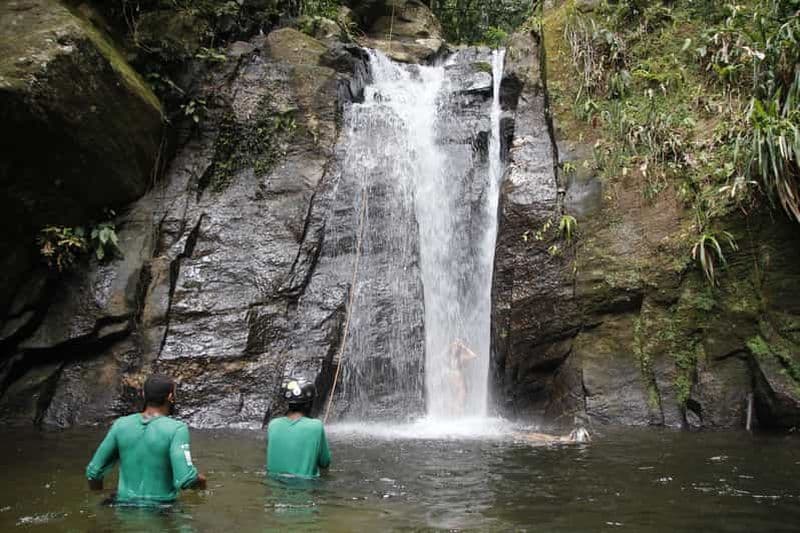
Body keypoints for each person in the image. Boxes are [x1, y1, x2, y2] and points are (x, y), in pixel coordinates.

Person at [85, 374, 207, 504]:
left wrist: (97, 496)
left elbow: (93, 472)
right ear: (170, 397)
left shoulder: (121, 425)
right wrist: (202, 482)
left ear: (144, 395)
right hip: (162, 511)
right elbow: (186, 479)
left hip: (124, 506)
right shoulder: (177, 429)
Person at [266, 375, 331, 478]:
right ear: (309, 404)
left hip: (274, 485)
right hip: (304, 488)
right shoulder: (316, 426)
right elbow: (325, 462)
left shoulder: (273, 424)